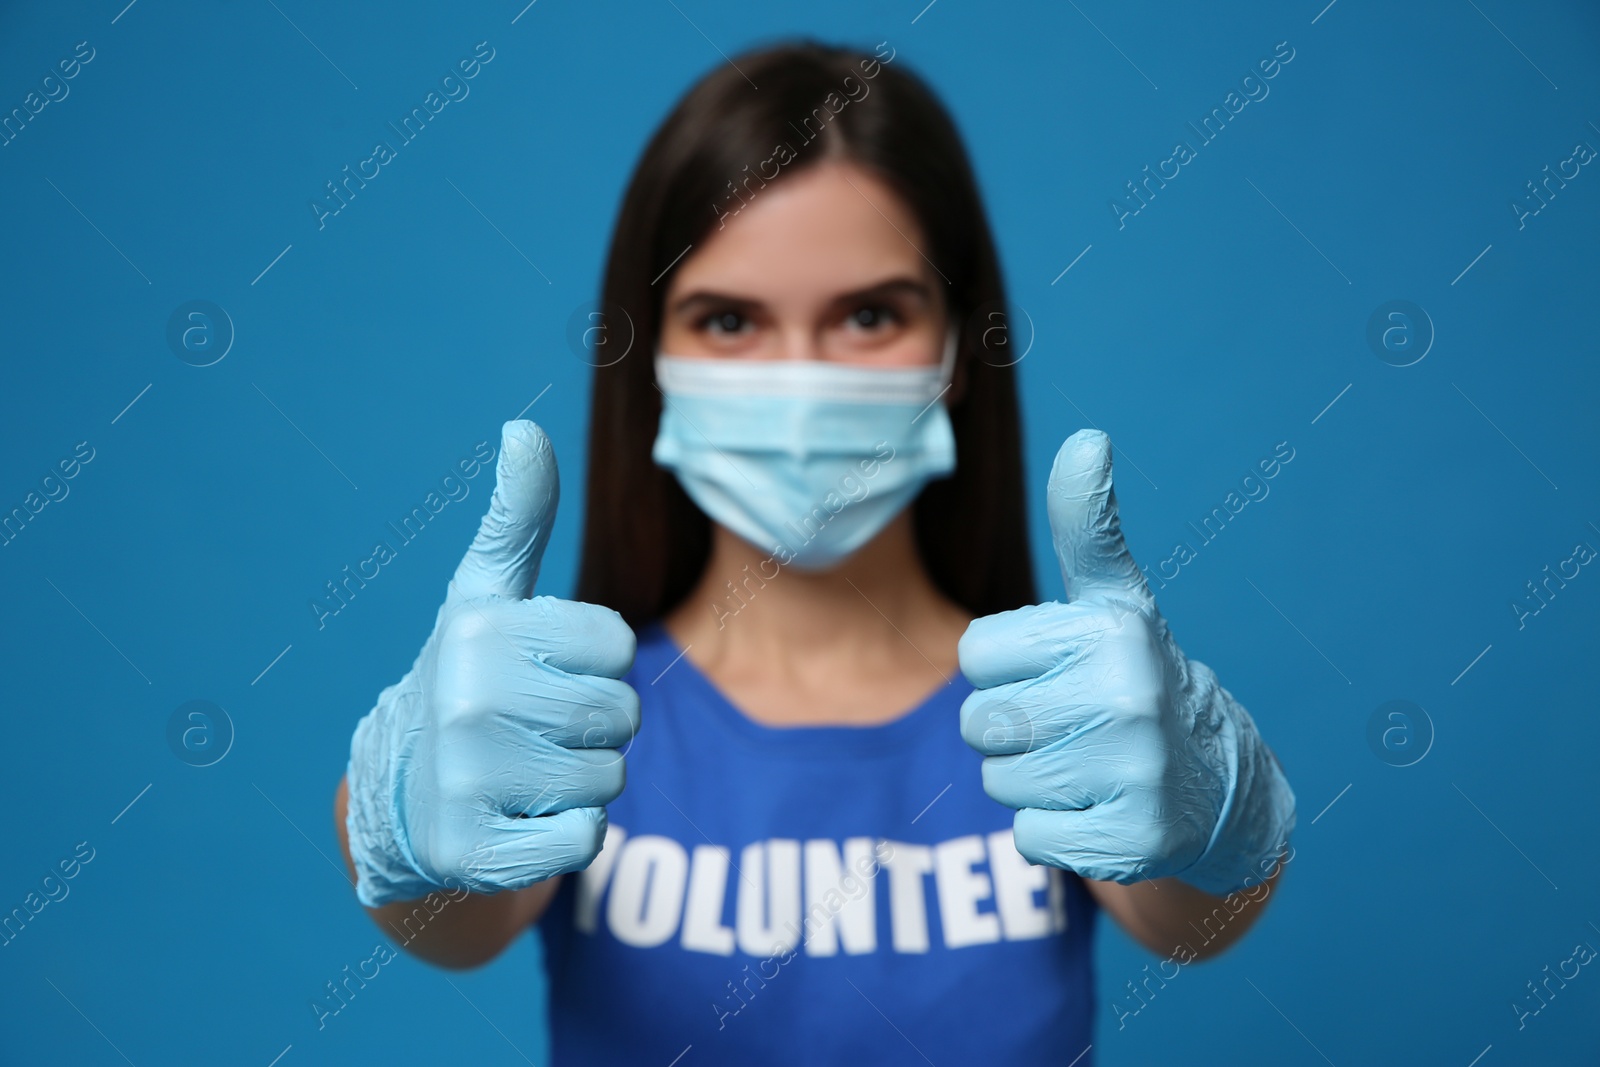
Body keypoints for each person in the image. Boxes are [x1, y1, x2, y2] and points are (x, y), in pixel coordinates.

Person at [333, 39, 1297, 1065]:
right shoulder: (568, 722)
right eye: (729, 319)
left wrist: (1221, 803)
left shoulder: (1062, 716)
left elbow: (1196, 921)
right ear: (651, 358)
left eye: (870, 313)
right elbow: (447, 919)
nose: (799, 381)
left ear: (960, 348)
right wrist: (394, 798)